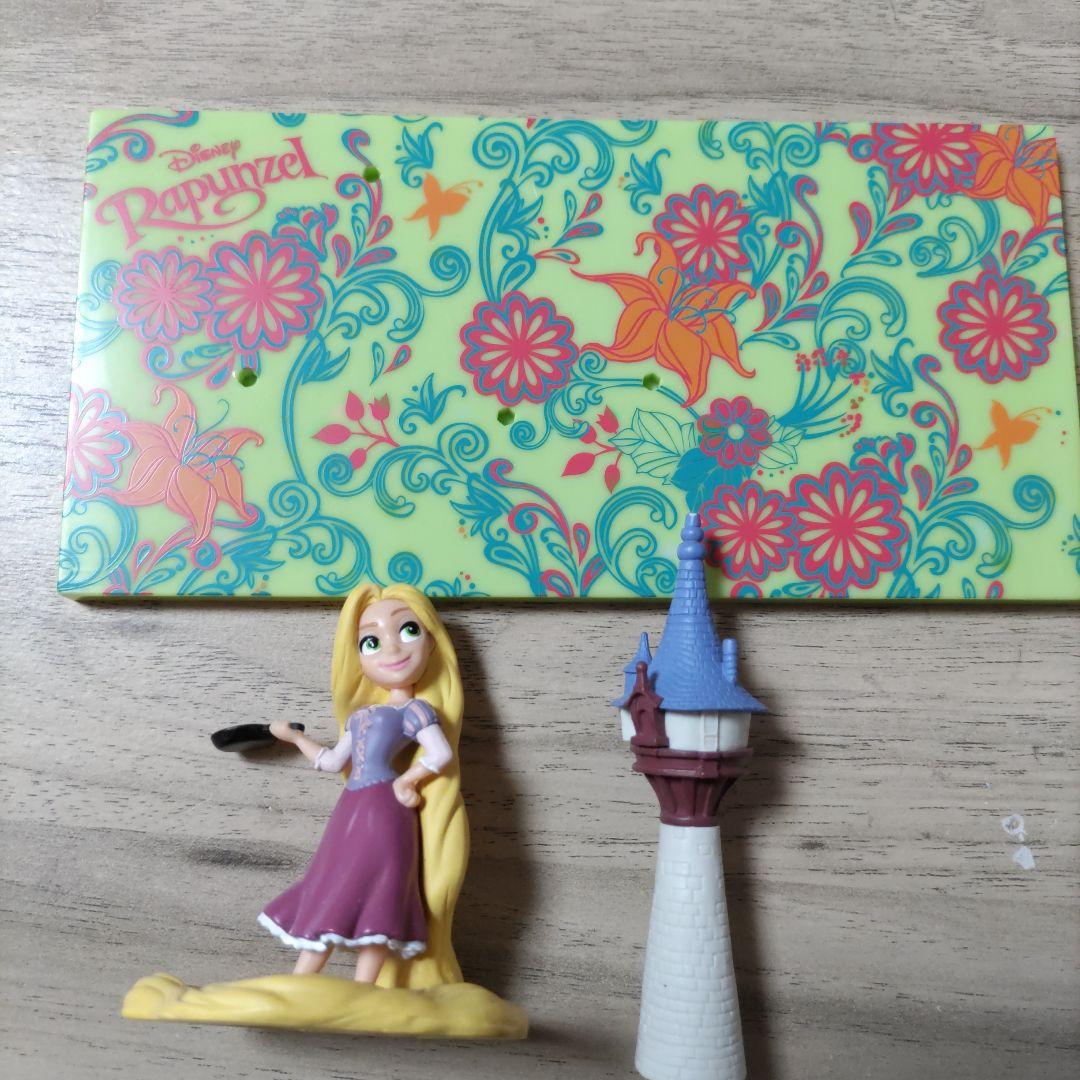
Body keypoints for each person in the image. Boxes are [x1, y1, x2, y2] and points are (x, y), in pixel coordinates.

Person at [259, 584, 468, 987]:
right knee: (331, 882)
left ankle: (364, 989)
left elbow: (440, 753)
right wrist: (295, 738)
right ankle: (302, 983)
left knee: (379, 889)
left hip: (385, 809)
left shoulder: (415, 709)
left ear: (431, 643)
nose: (392, 649)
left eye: (408, 631)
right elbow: (331, 761)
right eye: (371, 641)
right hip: (351, 809)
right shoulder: (360, 715)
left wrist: (409, 778)